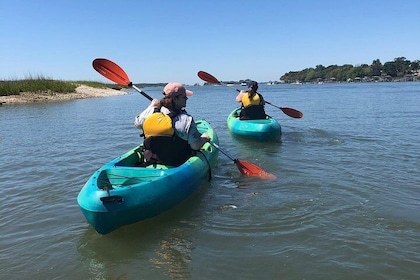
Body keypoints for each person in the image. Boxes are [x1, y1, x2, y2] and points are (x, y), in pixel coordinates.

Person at [134, 82, 210, 166]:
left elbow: (137, 124)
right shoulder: (186, 120)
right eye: (184, 97)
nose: (186, 99)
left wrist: (151, 106)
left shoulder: (151, 112)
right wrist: (204, 139)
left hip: (153, 160)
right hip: (177, 162)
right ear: (175, 99)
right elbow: (195, 146)